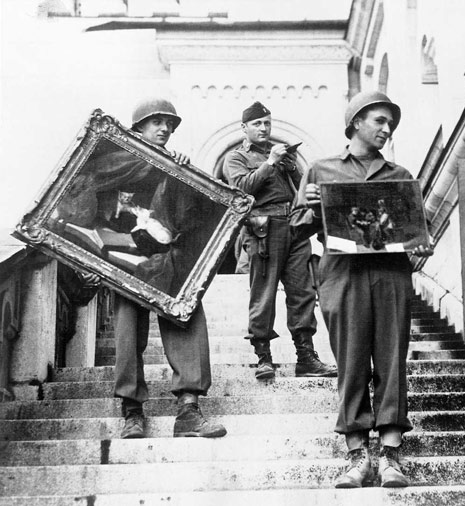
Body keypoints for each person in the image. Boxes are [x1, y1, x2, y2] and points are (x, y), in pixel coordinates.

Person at [290, 91, 432, 488]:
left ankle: (390, 456)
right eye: (379, 121)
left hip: (390, 275)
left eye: (390, 124)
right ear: (355, 122)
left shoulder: (400, 175)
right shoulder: (321, 170)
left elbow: (419, 231)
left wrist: (422, 244)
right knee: (351, 362)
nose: (386, 130)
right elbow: (298, 229)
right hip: (342, 275)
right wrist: (309, 203)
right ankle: (357, 456)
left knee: (391, 360)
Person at [66, 98, 226, 440]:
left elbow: (195, 216)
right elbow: (81, 206)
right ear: (138, 127)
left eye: (170, 123)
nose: (165, 129)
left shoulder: (173, 168)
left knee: (186, 315)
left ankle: (189, 409)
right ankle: (132, 411)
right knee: (126, 332)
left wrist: (183, 175)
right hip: (123, 259)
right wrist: (90, 257)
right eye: (157, 122)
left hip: (168, 259)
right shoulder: (112, 163)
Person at [222, 102, 337, 381]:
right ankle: (263, 357)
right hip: (263, 229)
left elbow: (301, 191)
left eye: (267, 123)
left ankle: (306, 358)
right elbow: (241, 190)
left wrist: (293, 169)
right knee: (263, 293)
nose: (263, 128)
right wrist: (270, 163)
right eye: (257, 124)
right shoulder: (235, 158)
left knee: (302, 292)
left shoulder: (283, 157)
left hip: (295, 228)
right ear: (244, 128)